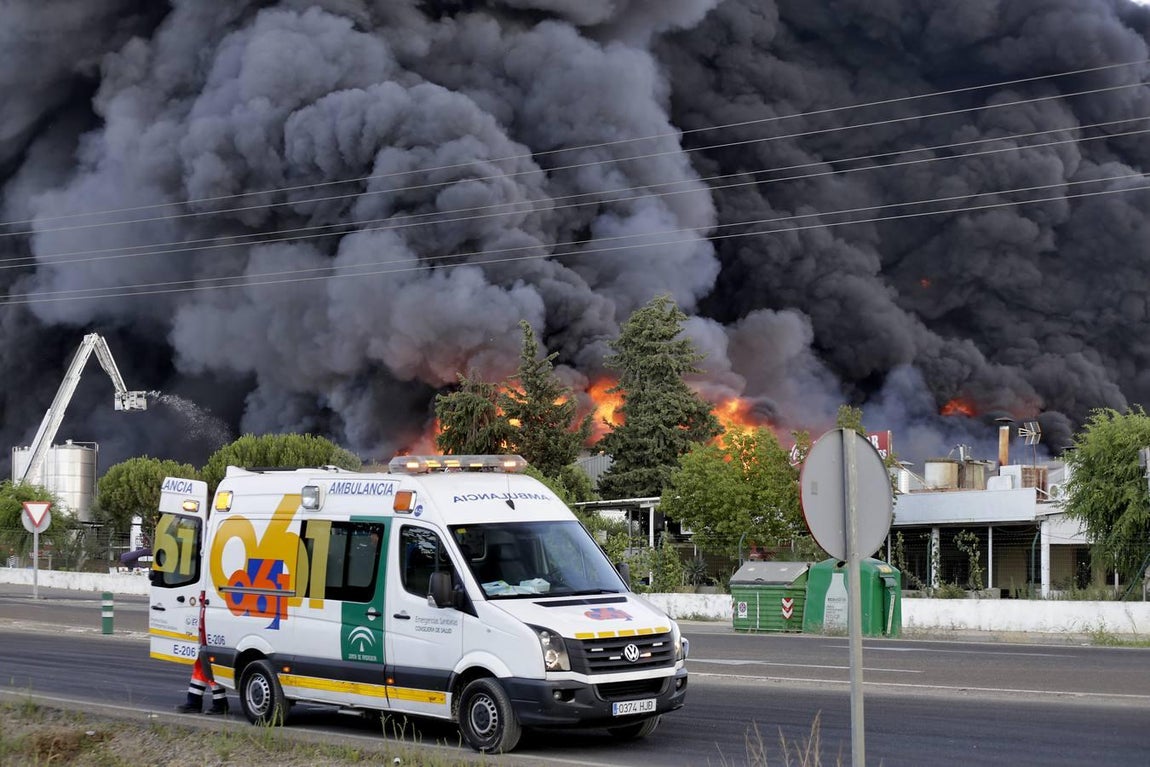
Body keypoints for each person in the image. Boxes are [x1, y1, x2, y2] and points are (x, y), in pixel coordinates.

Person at [176, 589, 228, 715]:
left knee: (209, 668)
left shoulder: (207, 593)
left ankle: (218, 703)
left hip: (208, 632)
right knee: (200, 667)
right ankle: (194, 701)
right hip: (204, 632)